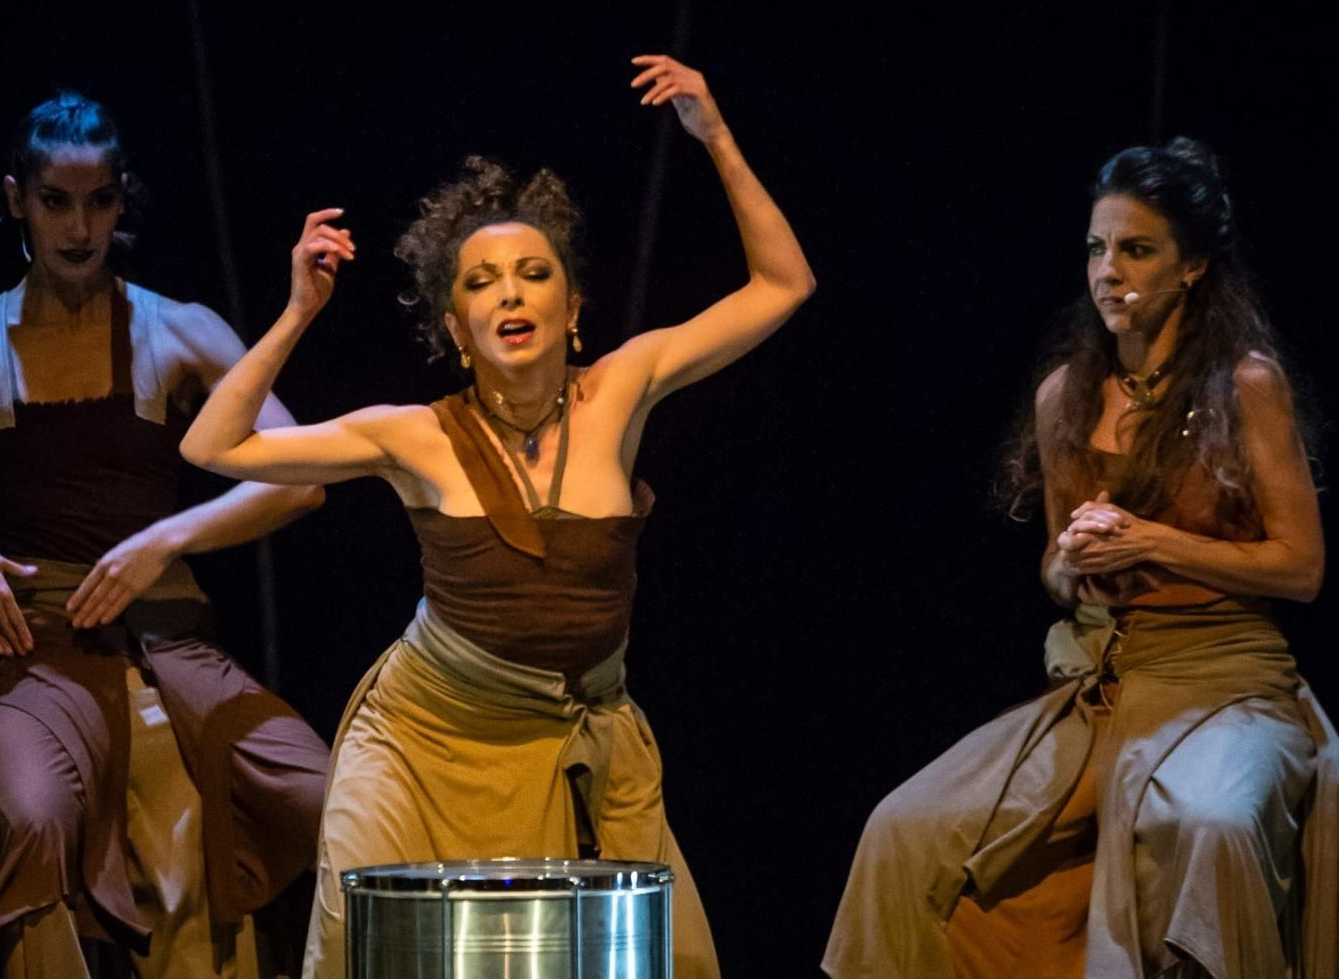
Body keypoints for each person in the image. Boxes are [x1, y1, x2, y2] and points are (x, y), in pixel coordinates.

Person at [181, 55, 815, 977]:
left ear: (572, 309)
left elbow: (783, 284)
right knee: (371, 949)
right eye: (481, 282)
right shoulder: (416, 436)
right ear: (456, 328)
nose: (510, 292)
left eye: (532, 273)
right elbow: (214, 444)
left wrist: (713, 133)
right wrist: (298, 312)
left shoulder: (621, 389)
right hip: (422, 741)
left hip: (578, 734)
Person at [0, 92, 332, 978]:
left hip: (172, 644)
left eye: (99, 201)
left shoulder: (180, 328)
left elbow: (301, 479)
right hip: (37, 652)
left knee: (326, 799)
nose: (80, 227)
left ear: (122, 200)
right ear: (17, 199)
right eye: (56, 201)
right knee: (34, 819)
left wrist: (164, 540)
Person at [823, 138, 1337, 979]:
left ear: (1192, 266)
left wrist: (1153, 540)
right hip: (1103, 685)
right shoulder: (1065, 395)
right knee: (906, 828)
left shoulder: (1245, 385)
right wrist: (1073, 557)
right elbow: (1058, 578)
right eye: (1097, 248)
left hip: (1228, 684)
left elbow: (1301, 568)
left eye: (1137, 250)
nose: (1109, 271)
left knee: (1207, 823)